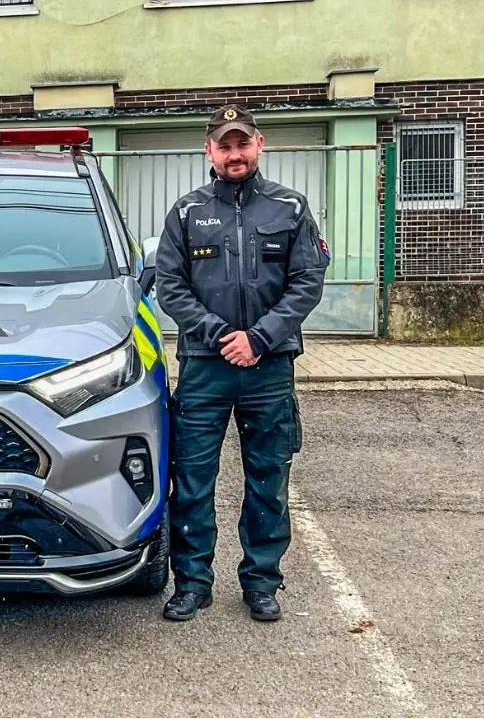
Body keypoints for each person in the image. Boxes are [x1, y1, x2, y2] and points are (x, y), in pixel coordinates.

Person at [154, 105, 330, 623]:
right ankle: (192, 583)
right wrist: (218, 334)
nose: (235, 154)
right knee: (191, 480)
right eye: (224, 145)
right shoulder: (187, 212)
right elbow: (171, 287)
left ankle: (261, 582)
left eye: (243, 143)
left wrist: (259, 338)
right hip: (206, 367)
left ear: (260, 144)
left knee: (268, 477)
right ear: (208, 151)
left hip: (268, 367)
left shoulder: (290, 208)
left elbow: (307, 282)